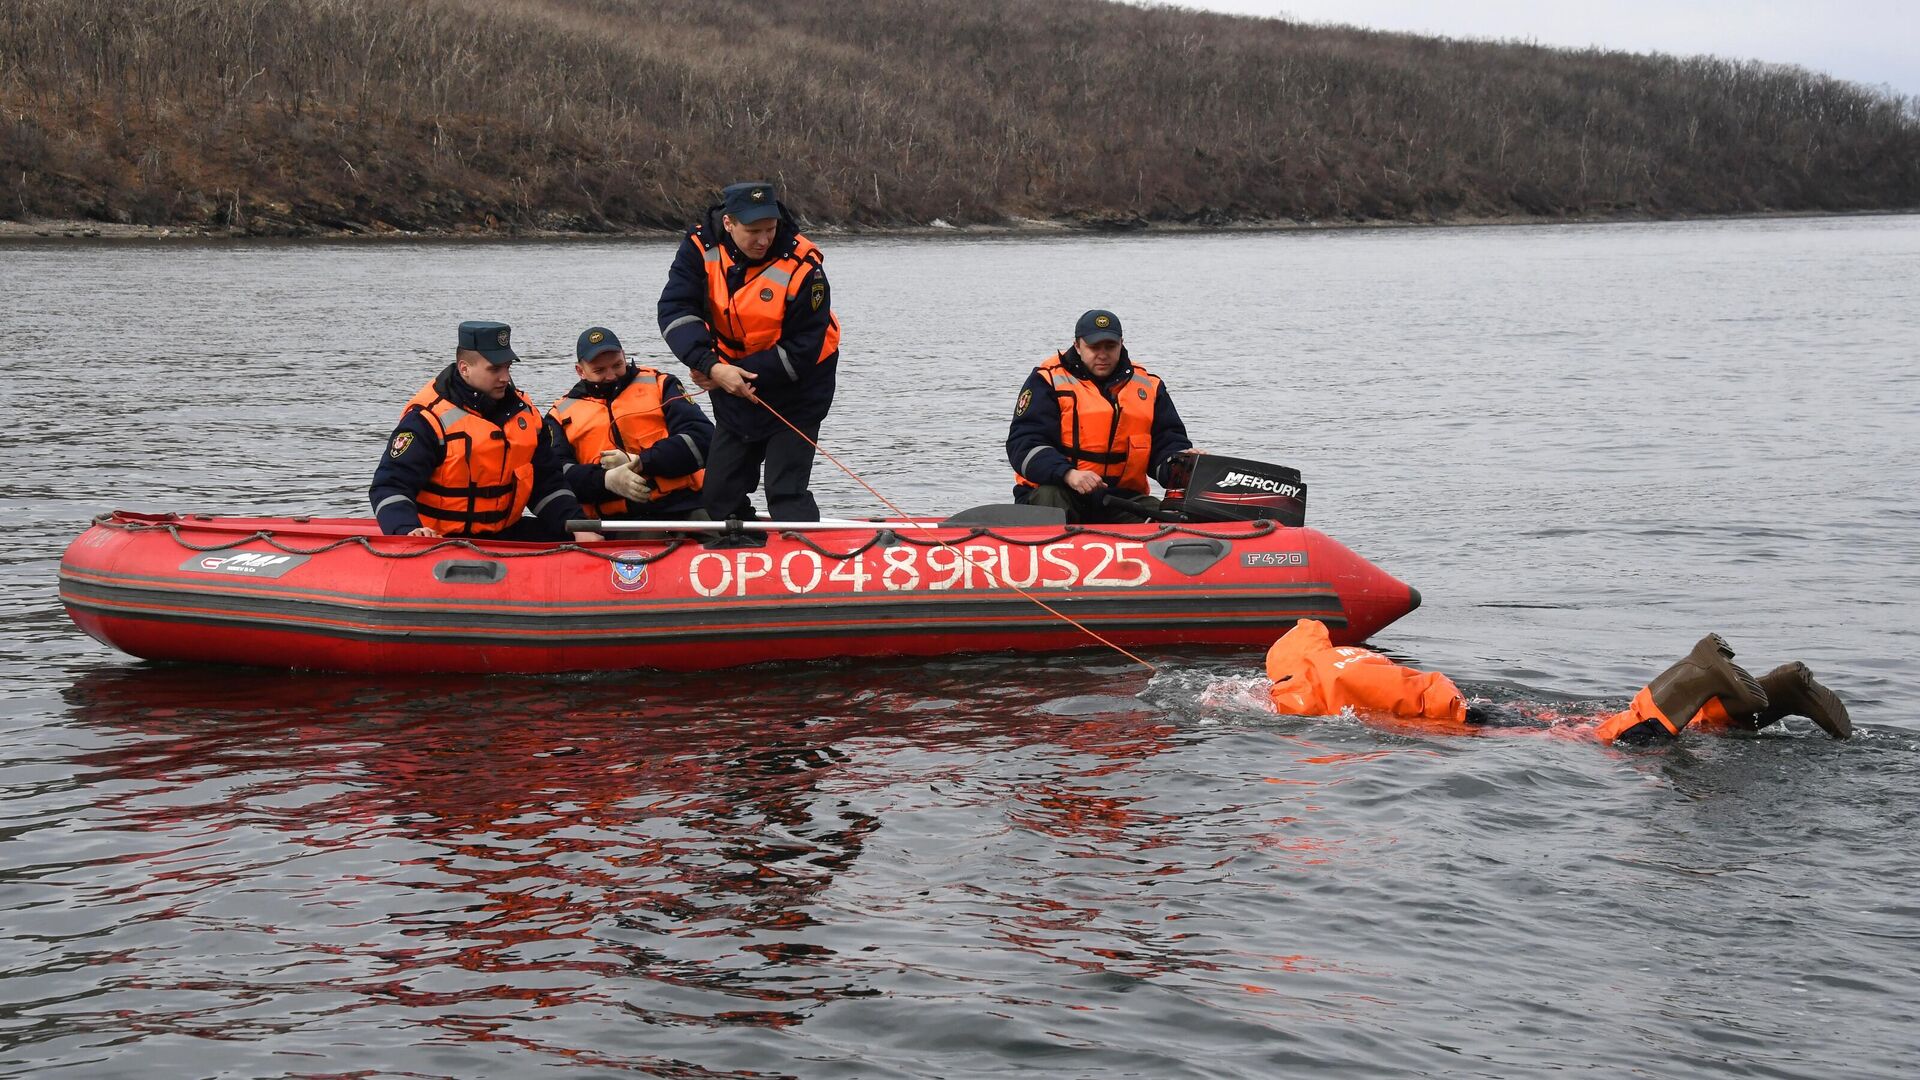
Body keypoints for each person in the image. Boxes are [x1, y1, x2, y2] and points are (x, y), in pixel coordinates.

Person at [1264, 619, 1852, 743]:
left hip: (1467, 720)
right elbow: (1309, 628)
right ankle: (1779, 693)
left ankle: (1693, 674)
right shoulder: (1326, 651)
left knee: (1613, 746)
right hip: (1472, 703)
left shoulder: (1297, 693)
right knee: (1584, 726)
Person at [656, 181, 840, 521]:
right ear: (729, 224)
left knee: (784, 491)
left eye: (770, 230)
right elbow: (676, 310)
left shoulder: (804, 266)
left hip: (799, 386)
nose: (763, 240)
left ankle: (802, 551)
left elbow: (802, 349)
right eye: (753, 231)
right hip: (729, 380)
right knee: (719, 496)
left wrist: (729, 372)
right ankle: (739, 547)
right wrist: (709, 365)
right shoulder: (700, 248)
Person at [370, 320, 599, 542]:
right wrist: (408, 531)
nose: (505, 377)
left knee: (580, 535)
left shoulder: (525, 415)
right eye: (495, 369)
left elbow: (547, 483)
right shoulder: (427, 419)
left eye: (508, 367)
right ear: (464, 368)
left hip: (504, 533)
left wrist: (576, 525)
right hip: (441, 540)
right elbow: (390, 485)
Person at [1006, 309, 1195, 524]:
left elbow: (1167, 443)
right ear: (1077, 345)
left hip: (1119, 499)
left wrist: (1183, 464)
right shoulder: (1047, 380)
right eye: (1094, 347)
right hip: (1059, 490)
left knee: (1170, 520)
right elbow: (1023, 444)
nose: (1102, 354)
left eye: (1110, 347)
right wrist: (1068, 474)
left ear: (1121, 344)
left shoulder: (1149, 387)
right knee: (1051, 497)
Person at [546, 325, 714, 522]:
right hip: (613, 523)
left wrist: (640, 461)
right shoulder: (560, 414)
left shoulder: (661, 385)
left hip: (683, 507)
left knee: (714, 531)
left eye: (617, 365)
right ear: (580, 371)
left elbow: (703, 439)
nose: (610, 376)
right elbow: (556, 475)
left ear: (624, 356)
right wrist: (605, 480)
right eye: (599, 370)